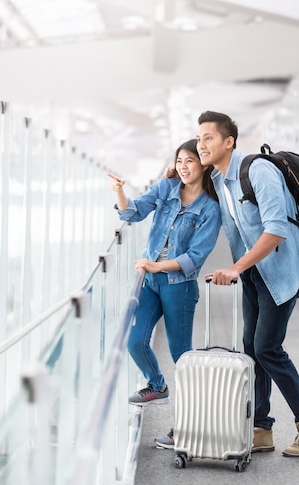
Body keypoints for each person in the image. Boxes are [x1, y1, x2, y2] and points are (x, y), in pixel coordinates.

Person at [196, 110, 299, 458]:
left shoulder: (258, 170)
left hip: (283, 267)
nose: (201, 144)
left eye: (208, 137)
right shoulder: (220, 180)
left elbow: (276, 230)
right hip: (256, 272)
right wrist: (173, 174)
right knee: (251, 348)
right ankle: (261, 428)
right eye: (199, 138)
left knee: (267, 347)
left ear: (229, 142)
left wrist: (236, 267)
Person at [108, 138, 221, 446]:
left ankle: (187, 427)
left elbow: (196, 257)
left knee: (182, 358)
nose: (184, 167)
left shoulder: (210, 209)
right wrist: (119, 191)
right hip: (149, 282)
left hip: (179, 287)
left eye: (191, 161)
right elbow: (132, 213)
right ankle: (157, 385)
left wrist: (158, 267)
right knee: (135, 341)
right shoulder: (166, 189)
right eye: (180, 161)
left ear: (204, 165)